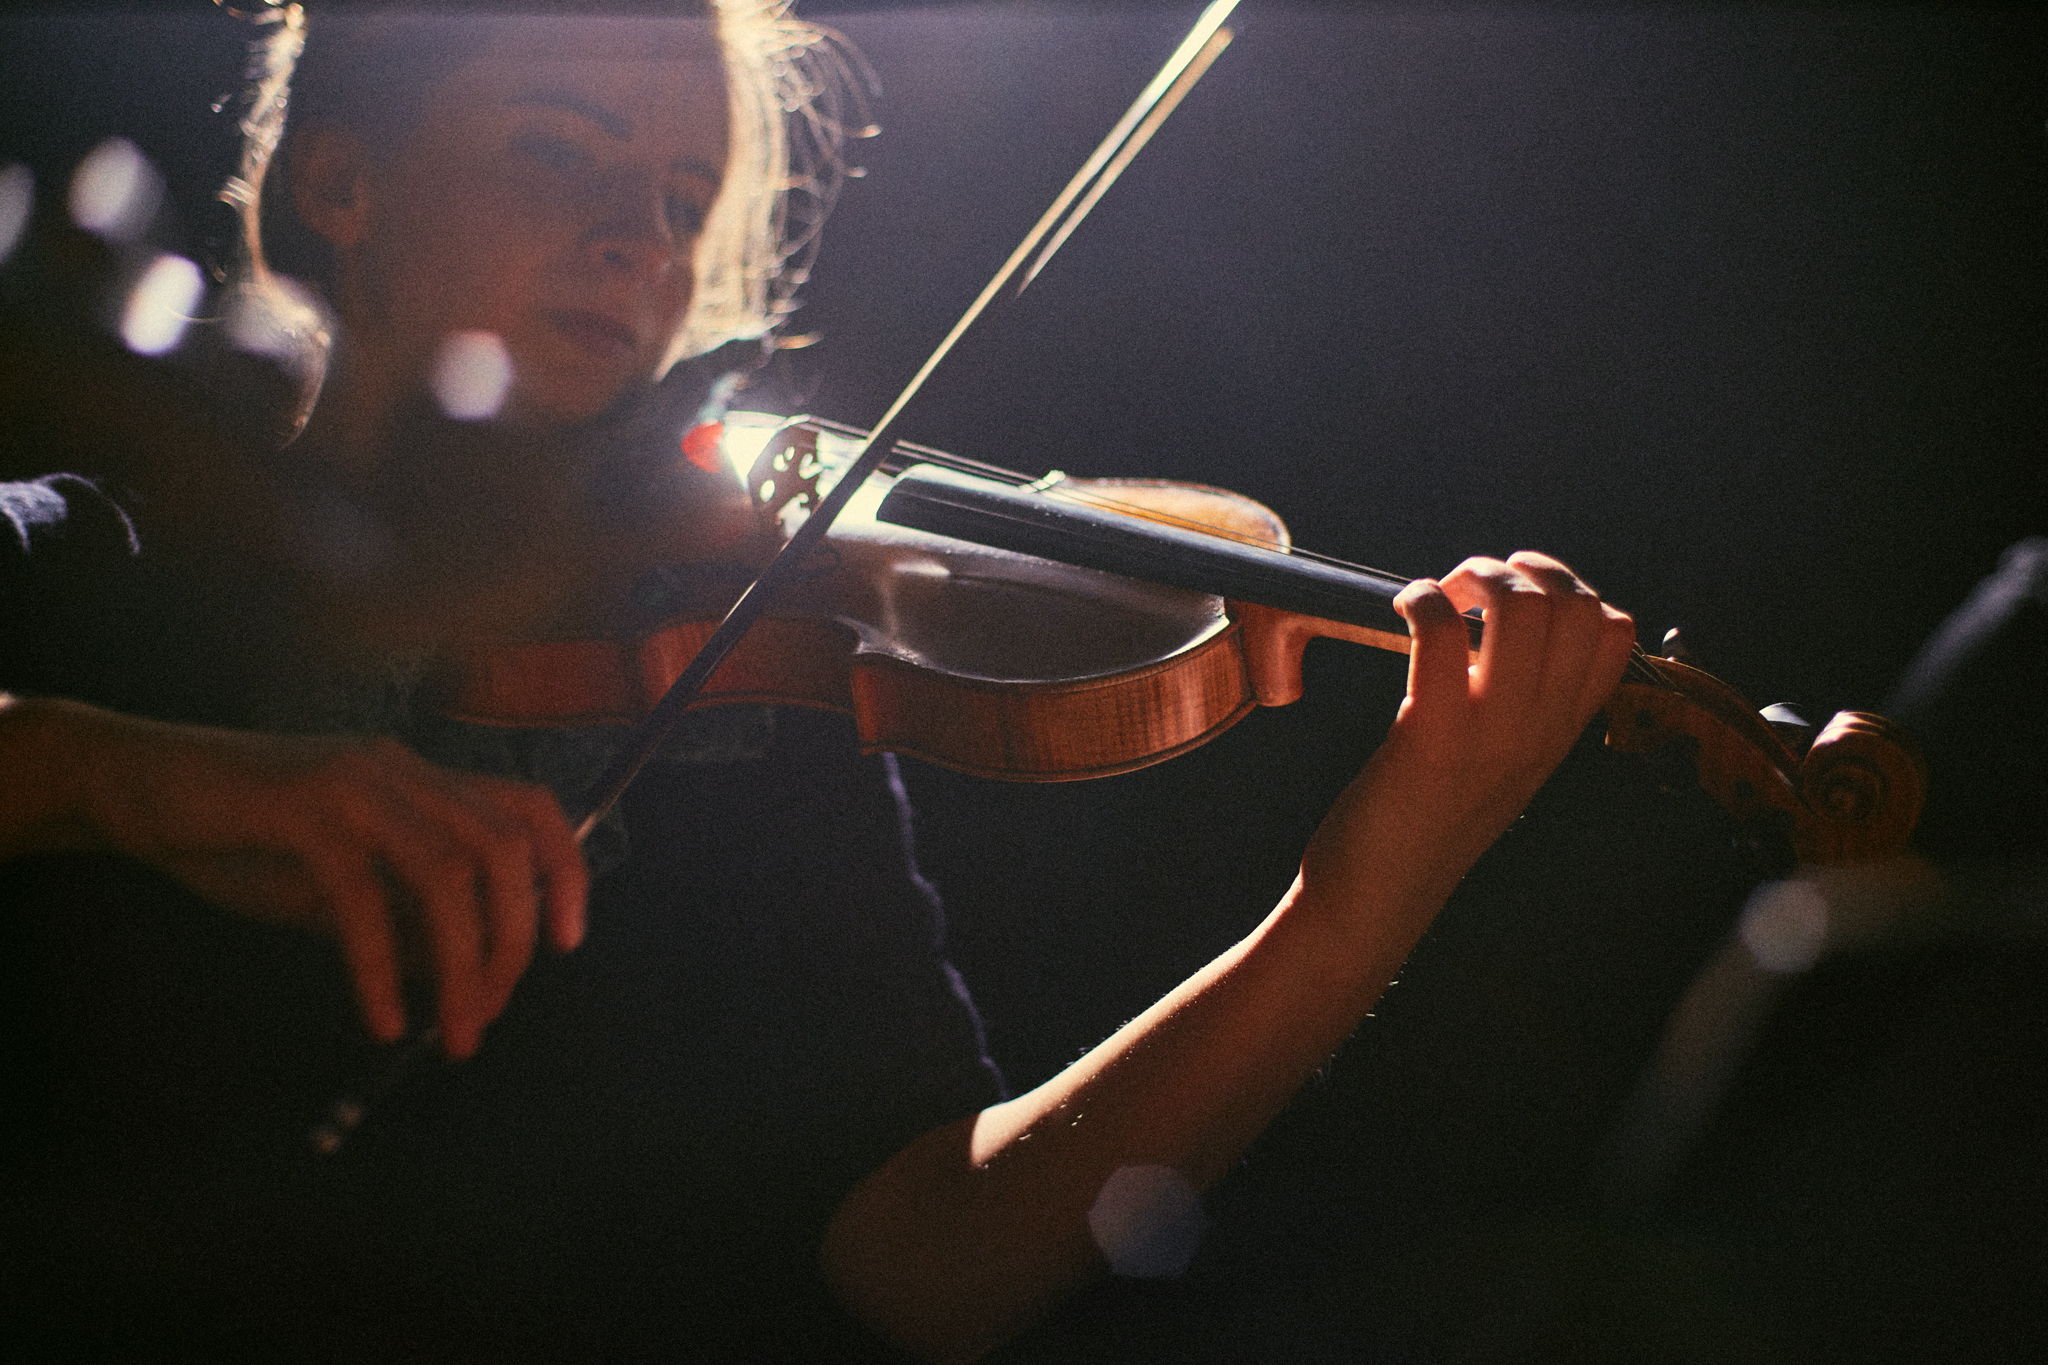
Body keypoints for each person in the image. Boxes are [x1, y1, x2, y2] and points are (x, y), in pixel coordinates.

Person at [0, 2, 1636, 1360]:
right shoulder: (104, 563)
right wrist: (130, 772)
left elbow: (927, 1255)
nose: (630, 239)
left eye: (676, 195)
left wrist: (1358, 899)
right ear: (340, 181)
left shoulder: (742, 656)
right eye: (557, 151)